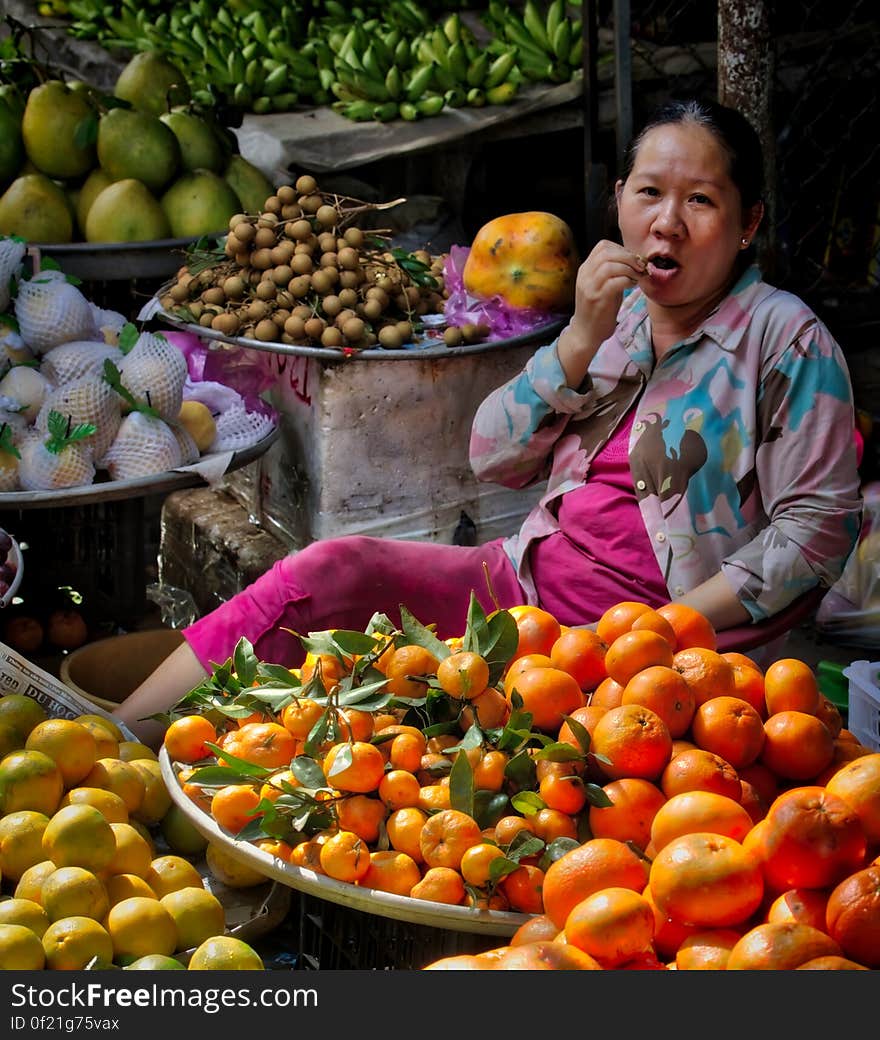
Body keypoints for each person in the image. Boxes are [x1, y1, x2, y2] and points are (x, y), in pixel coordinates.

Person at [115, 98, 862, 746]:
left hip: (656, 663)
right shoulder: (617, 316)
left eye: (700, 201)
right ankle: (118, 737)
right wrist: (577, 341)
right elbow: (493, 458)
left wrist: (657, 632)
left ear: (746, 224)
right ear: (619, 205)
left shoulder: (786, 341)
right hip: (526, 595)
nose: (667, 223)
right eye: (649, 193)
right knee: (330, 570)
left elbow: (816, 533)